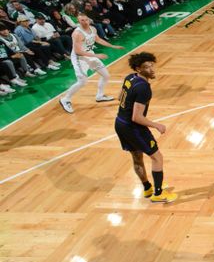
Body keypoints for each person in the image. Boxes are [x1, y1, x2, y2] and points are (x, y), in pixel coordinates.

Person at [114, 52, 177, 203]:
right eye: (147, 67)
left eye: (152, 65)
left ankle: (148, 187)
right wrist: (156, 125)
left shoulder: (130, 77)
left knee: (137, 157)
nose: (152, 69)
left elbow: (119, 97)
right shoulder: (144, 88)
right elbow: (136, 117)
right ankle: (158, 194)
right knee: (157, 157)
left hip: (120, 122)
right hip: (133, 127)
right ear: (138, 68)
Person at [59, 13, 123, 113]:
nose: (85, 22)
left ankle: (100, 96)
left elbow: (97, 39)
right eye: (82, 21)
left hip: (90, 55)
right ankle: (65, 99)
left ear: (89, 20)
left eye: (86, 20)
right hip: (79, 58)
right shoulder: (77, 33)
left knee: (105, 75)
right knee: (82, 81)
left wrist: (112, 46)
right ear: (78, 22)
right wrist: (97, 55)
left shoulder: (93, 29)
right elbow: (78, 51)